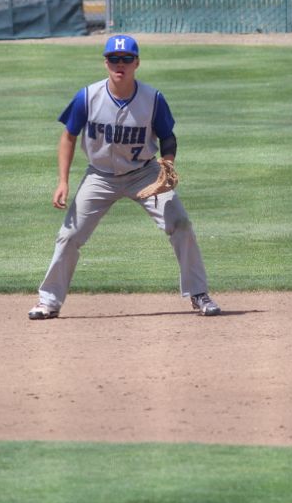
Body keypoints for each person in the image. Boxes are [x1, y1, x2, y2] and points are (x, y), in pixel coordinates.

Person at [28, 34, 220, 319]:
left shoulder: (153, 99)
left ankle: (199, 293)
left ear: (136, 63)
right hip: (99, 177)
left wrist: (167, 164)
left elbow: (168, 137)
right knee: (69, 235)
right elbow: (68, 136)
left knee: (180, 223)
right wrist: (63, 181)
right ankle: (48, 302)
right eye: (114, 59)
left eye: (126, 59)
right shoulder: (87, 97)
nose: (120, 64)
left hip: (145, 174)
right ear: (105, 63)